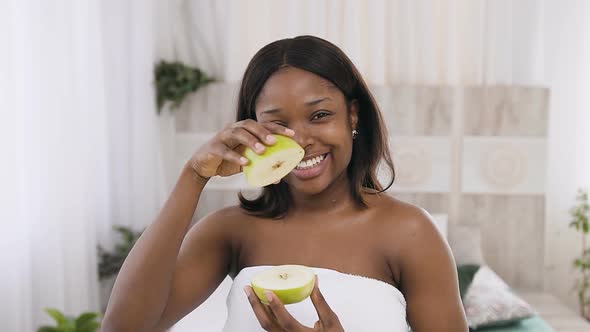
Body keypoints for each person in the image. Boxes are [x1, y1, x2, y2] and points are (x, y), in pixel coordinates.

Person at [102, 35, 468, 332]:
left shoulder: (410, 232)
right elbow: (122, 328)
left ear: (352, 116)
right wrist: (194, 176)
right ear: (251, 129)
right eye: (277, 124)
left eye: (320, 115)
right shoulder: (230, 231)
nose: (301, 140)